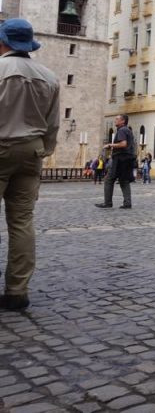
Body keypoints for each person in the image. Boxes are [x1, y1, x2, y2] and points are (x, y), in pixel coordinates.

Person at [0, 19, 60, 311]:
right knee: (22, 221)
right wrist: (43, 151)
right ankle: (17, 290)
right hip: (32, 152)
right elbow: (52, 124)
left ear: (3, 42)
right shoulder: (49, 76)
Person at [97, 114, 136, 210]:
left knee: (108, 179)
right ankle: (127, 203)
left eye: (117, 119)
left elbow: (123, 144)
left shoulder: (122, 130)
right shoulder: (128, 130)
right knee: (124, 180)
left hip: (120, 159)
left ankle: (108, 202)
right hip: (127, 158)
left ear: (123, 121)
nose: (115, 121)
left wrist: (110, 145)